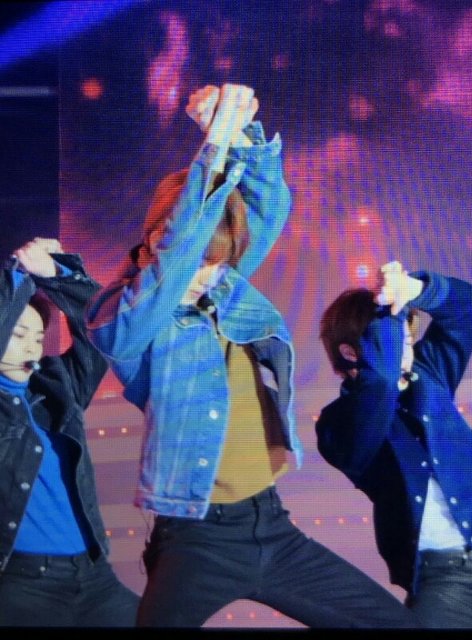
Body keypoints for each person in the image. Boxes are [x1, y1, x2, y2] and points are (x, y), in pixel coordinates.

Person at [86, 84, 419, 629]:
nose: (209, 274)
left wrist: (239, 136)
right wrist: (212, 148)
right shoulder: (123, 319)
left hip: (271, 525)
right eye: (201, 260)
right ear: (154, 244)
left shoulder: (224, 291)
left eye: (219, 262)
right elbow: (178, 253)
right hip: (197, 538)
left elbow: (268, 206)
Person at [316, 260, 472, 628]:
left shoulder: (429, 375)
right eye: (392, 341)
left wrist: (415, 290)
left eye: (406, 340)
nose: (406, 350)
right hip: (446, 578)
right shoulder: (337, 425)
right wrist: (387, 307)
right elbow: (380, 382)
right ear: (350, 353)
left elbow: (468, 308)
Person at [0, 237, 139, 627]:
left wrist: (56, 271)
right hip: (23, 584)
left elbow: (101, 329)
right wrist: (18, 271)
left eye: (38, 338)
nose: (31, 348)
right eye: (18, 336)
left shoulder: (57, 386)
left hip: (92, 575)